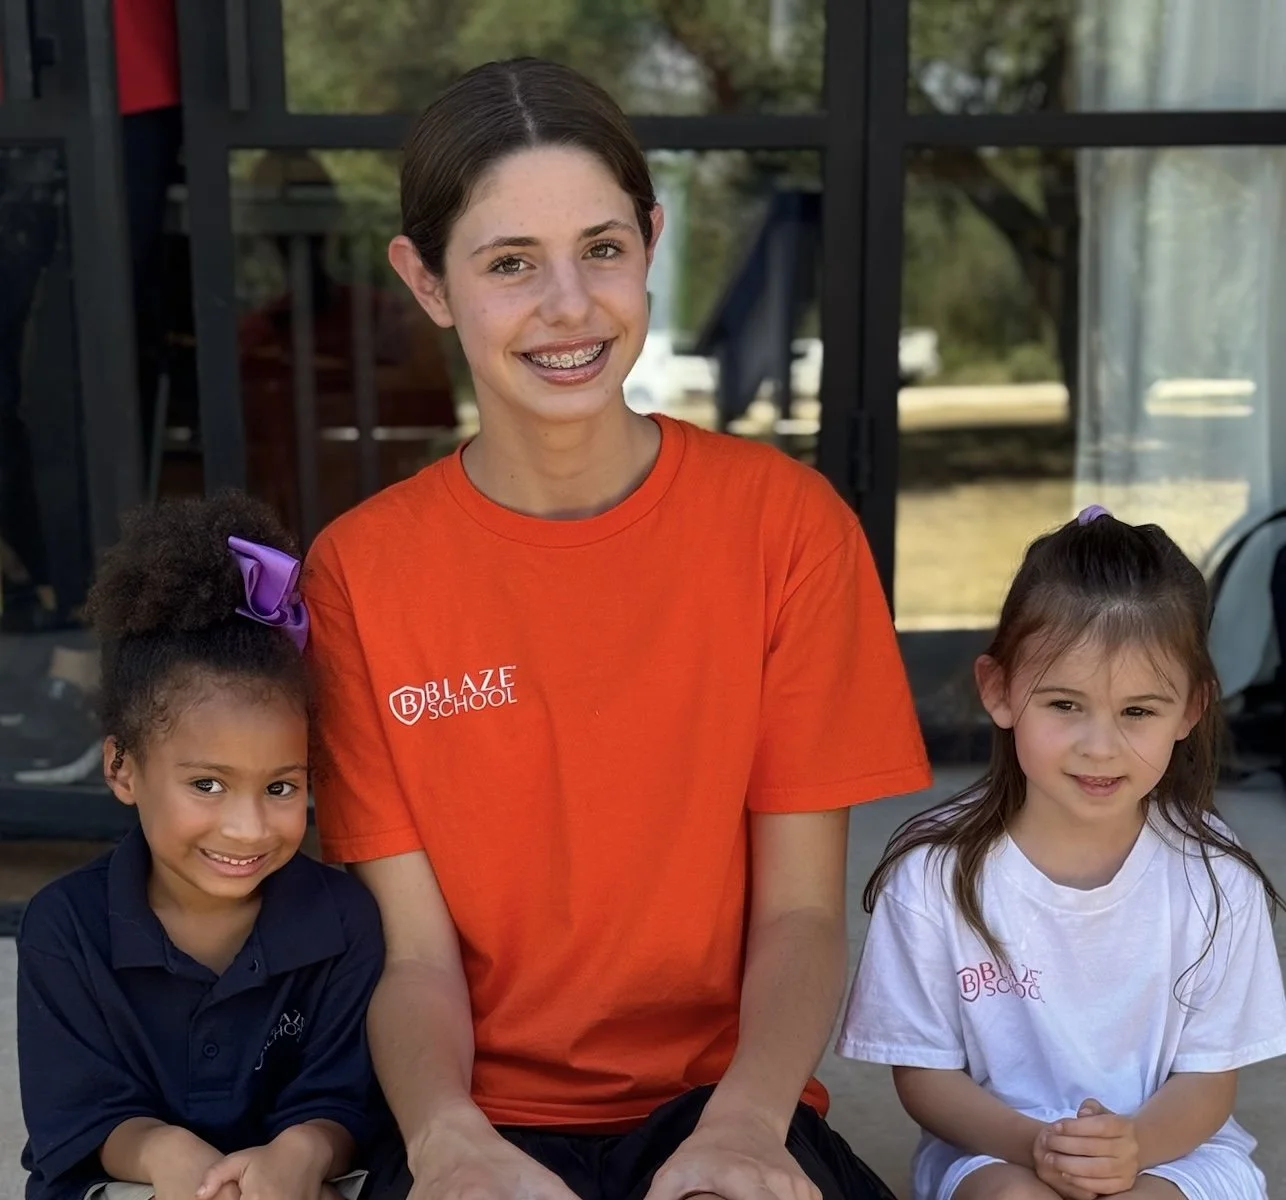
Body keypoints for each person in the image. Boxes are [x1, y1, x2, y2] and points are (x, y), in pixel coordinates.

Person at [302, 57, 932, 1200]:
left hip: (719, 1099)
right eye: (509, 264)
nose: (568, 306)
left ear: (649, 238)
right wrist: (445, 1138)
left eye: (601, 248)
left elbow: (798, 913)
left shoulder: (785, 529)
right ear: (426, 281)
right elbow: (413, 955)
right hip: (479, 1115)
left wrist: (746, 1127)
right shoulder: (359, 574)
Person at [837, 506, 1286, 1200]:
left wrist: (1130, 1150)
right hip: (996, 1151)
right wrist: (1035, 1146)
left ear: (1191, 710)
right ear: (1000, 690)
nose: (1099, 746)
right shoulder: (931, 874)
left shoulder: (1217, 878)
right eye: (1065, 706)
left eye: (1138, 711)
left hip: (1176, 1150)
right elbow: (924, 1074)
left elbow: (1207, 1084)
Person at [16, 493, 385, 1200]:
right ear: (121, 768)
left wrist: (304, 1152)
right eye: (208, 786)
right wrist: (163, 1156)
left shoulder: (344, 922)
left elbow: (346, 1102)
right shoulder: (65, 929)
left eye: (281, 788)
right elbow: (77, 1118)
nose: (247, 828)